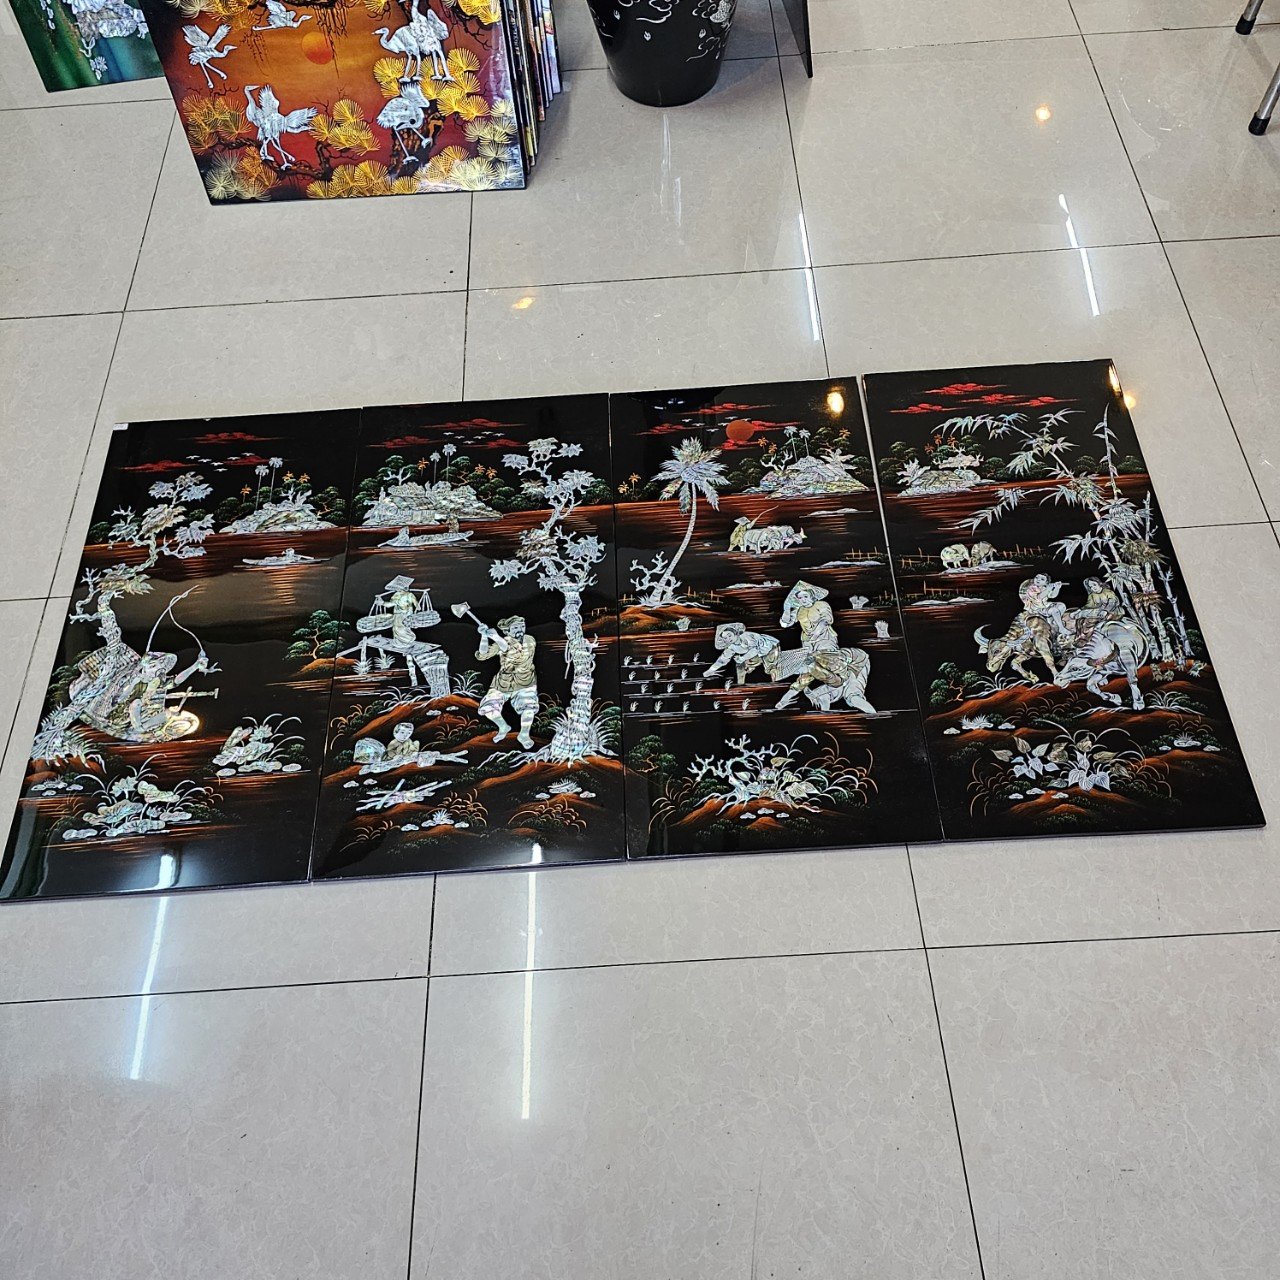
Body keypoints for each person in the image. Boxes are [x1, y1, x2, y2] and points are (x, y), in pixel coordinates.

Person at [477, 616, 538, 749]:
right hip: (503, 682)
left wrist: (497, 638)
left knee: (528, 707)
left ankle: (524, 734)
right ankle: (503, 726)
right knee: (488, 707)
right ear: (507, 631)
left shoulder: (529, 640)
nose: (520, 630)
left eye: (522, 626)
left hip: (525, 681)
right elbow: (483, 654)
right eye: (515, 628)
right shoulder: (502, 641)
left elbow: (516, 653)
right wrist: (484, 636)